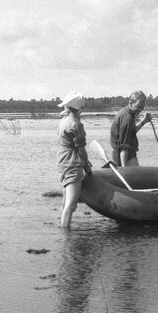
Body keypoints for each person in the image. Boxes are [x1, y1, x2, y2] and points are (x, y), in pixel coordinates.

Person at [57, 92, 92, 229]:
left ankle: (63, 230)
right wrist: (87, 167)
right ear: (81, 108)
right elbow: (81, 151)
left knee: (66, 201)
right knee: (71, 204)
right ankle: (65, 232)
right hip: (72, 163)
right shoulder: (76, 125)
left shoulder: (63, 121)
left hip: (63, 160)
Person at [110, 90, 152, 166]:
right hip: (126, 158)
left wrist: (144, 122)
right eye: (138, 107)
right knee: (137, 177)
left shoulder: (125, 112)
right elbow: (124, 147)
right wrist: (124, 169)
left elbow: (130, 133)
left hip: (122, 156)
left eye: (142, 107)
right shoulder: (127, 119)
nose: (140, 110)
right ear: (131, 103)